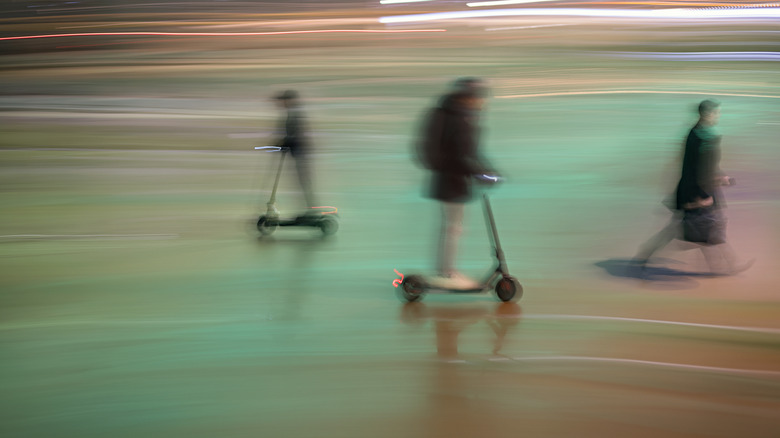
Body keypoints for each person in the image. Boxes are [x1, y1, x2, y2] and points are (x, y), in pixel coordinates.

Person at [634, 99, 752, 275]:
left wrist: (721, 178)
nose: (718, 116)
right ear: (707, 114)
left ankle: (723, 266)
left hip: (696, 191)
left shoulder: (696, 134)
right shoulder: (701, 138)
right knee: (701, 229)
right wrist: (701, 196)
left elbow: (702, 167)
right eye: (717, 113)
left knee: (706, 229)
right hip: (697, 193)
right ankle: (726, 267)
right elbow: (696, 170)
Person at [417, 78, 498, 288]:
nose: (481, 102)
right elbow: (460, 154)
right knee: (453, 228)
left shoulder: (460, 115)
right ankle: (447, 273)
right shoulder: (455, 116)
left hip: (455, 179)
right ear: (468, 98)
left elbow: (470, 152)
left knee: (453, 227)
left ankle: (445, 270)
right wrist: (479, 173)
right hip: (450, 179)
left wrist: (486, 170)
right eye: (478, 98)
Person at [273, 90, 317, 210]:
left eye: (284, 100)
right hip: (298, 153)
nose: (282, 103)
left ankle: (311, 209)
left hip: (301, 154)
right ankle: (310, 208)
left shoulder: (294, 115)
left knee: (304, 182)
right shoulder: (291, 114)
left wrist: (285, 143)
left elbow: (297, 135)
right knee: (303, 182)